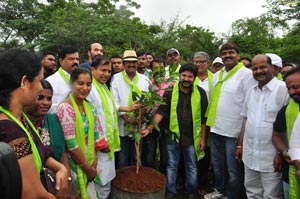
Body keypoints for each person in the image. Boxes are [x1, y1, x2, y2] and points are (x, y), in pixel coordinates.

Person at [0, 48, 68, 199]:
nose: (40, 88)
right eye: (39, 81)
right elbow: (34, 194)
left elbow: (36, 151)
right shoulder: (10, 131)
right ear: (24, 82)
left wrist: (59, 167)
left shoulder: (19, 117)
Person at [142, 63, 208, 199]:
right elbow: (162, 112)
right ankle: (171, 190)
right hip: (173, 135)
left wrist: (203, 139)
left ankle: (191, 191)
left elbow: (203, 118)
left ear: (194, 78)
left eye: (190, 76)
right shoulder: (170, 93)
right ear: (179, 76)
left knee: (192, 165)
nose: (186, 79)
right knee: (172, 164)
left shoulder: (200, 93)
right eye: (184, 75)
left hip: (191, 137)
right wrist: (149, 128)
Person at [205, 43, 256, 199]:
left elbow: (250, 105)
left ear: (238, 55)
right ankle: (220, 190)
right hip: (216, 128)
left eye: (231, 52)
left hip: (234, 131)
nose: (227, 55)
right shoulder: (217, 75)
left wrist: (241, 138)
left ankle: (232, 195)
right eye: (224, 53)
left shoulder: (246, 74)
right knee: (218, 165)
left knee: (233, 168)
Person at [236, 54, 289, 199]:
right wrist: (240, 145)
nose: (259, 71)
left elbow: (288, 127)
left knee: (272, 195)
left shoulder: (284, 90)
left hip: (271, 157)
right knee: (252, 192)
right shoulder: (250, 91)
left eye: (263, 67)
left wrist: (280, 153)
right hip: (250, 155)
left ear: (273, 68)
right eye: (255, 68)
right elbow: (245, 119)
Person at [87, 55, 139, 199]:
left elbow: (112, 106)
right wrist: (98, 141)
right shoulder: (90, 89)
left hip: (107, 142)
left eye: (109, 71)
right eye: (102, 70)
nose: (106, 74)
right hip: (98, 144)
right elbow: (87, 118)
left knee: (106, 178)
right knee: (99, 180)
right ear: (92, 69)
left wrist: (128, 108)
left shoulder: (103, 87)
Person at [56, 67, 107, 198]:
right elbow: (71, 145)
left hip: (89, 162)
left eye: (88, 84)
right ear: (71, 84)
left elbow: (95, 134)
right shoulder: (65, 109)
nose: (85, 88)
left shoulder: (90, 107)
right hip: (73, 165)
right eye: (80, 83)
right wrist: (88, 169)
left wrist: (94, 161)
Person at [110, 50, 149, 168]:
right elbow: (113, 102)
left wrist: (143, 112)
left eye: (134, 62)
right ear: (123, 63)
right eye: (128, 62)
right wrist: (127, 118)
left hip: (139, 125)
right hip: (122, 125)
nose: (131, 64)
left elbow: (148, 100)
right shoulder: (116, 79)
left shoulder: (144, 79)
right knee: (122, 159)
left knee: (137, 158)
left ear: (137, 63)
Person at [272, 67, 300, 199]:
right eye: (289, 88)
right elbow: (276, 134)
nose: (292, 92)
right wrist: (283, 152)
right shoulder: (286, 110)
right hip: (290, 170)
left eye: (296, 87)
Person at [46, 46, 79, 113]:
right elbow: (47, 108)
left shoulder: (81, 80)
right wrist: (67, 104)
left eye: (77, 59)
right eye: (71, 59)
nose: (75, 62)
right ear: (61, 61)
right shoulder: (51, 81)